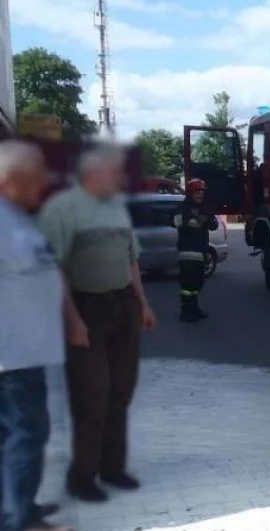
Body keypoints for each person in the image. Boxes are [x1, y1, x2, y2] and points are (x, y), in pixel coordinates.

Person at [36, 145, 157, 503]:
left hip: (123, 305)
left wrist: (143, 304)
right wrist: (72, 319)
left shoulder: (116, 207)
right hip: (86, 308)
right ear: (92, 174)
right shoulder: (62, 208)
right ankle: (82, 477)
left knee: (121, 391)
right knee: (91, 395)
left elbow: (132, 260)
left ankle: (113, 468)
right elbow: (54, 268)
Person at [0, 140, 74, 531]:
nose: (42, 185)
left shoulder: (15, 218)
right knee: (26, 433)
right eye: (35, 178)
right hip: (12, 353)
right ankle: (20, 523)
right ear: (11, 180)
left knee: (13, 434)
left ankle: (14, 506)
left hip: (24, 349)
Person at [174, 178, 218, 322]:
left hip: (201, 253)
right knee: (187, 285)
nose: (200, 195)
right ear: (190, 193)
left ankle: (194, 307)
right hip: (187, 254)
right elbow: (174, 221)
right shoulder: (183, 208)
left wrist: (207, 218)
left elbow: (214, 225)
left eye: (202, 192)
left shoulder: (205, 208)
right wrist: (189, 216)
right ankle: (186, 311)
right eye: (197, 192)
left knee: (198, 282)